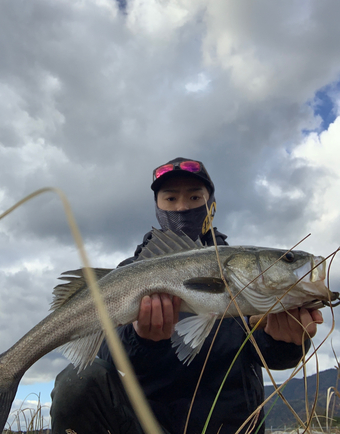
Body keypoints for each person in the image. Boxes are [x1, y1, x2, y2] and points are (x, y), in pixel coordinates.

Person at [50, 157, 323, 434]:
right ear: (158, 207)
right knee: (77, 380)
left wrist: (285, 341)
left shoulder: (244, 277)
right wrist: (140, 340)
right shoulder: (126, 274)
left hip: (232, 425)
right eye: (170, 198)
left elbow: (271, 357)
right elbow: (105, 356)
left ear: (211, 204)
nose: (182, 207)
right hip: (143, 425)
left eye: (194, 197)